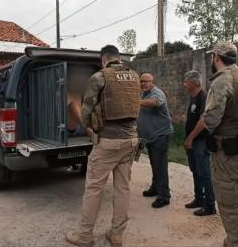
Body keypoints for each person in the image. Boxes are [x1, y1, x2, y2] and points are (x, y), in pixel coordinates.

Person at [65, 45, 140, 247]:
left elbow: (87, 111)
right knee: (122, 189)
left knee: (94, 188)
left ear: (103, 60)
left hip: (108, 141)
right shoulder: (134, 75)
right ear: (118, 58)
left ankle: (85, 236)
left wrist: (89, 128)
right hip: (131, 139)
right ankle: (116, 235)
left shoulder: (99, 77)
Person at [201, 41, 238, 246]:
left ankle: (237, 242)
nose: (211, 60)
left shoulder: (222, 80)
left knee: (228, 203)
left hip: (228, 154)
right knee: (235, 199)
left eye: (211, 57)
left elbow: (211, 120)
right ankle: (234, 239)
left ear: (216, 57)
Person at [137, 73, 173, 208]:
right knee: (155, 164)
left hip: (161, 136)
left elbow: (154, 103)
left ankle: (164, 196)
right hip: (152, 137)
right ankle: (155, 188)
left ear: (152, 82)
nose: (143, 84)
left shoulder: (157, 93)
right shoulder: (144, 94)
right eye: (141, 81)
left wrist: (136, 101)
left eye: (146, 81)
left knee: (160, 166)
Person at [183, 70, 216, 216]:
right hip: (193, 142)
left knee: (204, 173)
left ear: (194, 83)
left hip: (200, 141)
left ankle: (210, 205)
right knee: (195, 171)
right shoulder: (193, 97)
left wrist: (190, 138)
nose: (184, 84)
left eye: (186, 81)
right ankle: (199, 199)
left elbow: (203, 121)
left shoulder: (203, 97)